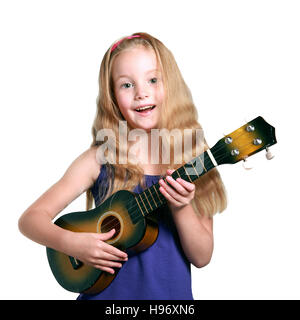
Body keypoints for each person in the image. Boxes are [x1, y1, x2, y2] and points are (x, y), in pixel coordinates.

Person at [18, 32, 227, 300]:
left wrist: (181, 205)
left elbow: (202, 256)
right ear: (112, 96)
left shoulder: (193, 160)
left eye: (153, 80)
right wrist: (73, 243)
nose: (141, 93)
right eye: (127, 85)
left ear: (171, 86)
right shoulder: (99, 159)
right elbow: (30, 219)